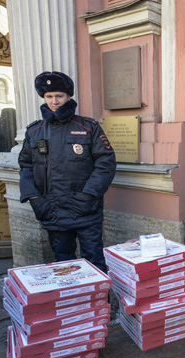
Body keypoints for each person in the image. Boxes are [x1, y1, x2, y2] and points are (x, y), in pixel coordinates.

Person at [18, 71, 116, 273]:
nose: (55, 101)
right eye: (49, 97)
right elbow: (26, 166)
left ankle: (97, 304)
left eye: (59, 96)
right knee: (63, 265)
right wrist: (35, 198)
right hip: (52, 210)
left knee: (94, 263)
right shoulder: (34, 131)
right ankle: (71, 304)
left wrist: (89, 195)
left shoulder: (88, 127)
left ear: (69, 96)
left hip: (85, 209)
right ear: (44, 98)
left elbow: (105, 162)